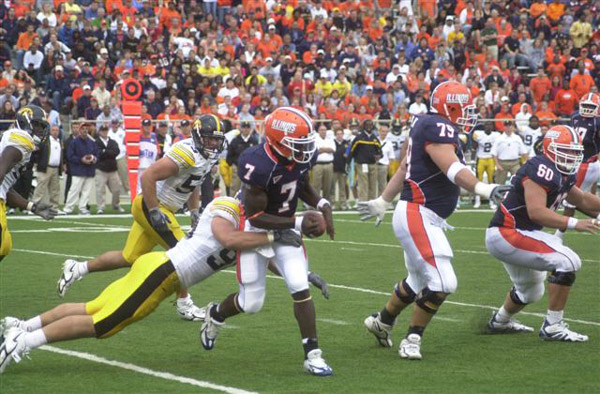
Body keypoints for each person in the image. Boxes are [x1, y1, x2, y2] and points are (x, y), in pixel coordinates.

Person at [0, 197, 304, 374]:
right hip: (164, 273)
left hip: (160, 270)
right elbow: (228, 238)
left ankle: (23, 328)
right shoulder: (227, 207)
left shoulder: (249, 225)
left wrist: (300, 275)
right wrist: (275, 236)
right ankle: (22, 343)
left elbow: (254, 251)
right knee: (104, 324)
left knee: (93, 307)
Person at [357, 81, 511, 360]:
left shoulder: (426, 124)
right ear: (449, 107)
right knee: (443, 282)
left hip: (418, 213)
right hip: (419, 213)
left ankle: (382, 321)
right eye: (462, 108)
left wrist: (383, 200)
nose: (468, 113)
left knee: (417, 280)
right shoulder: (436, 126)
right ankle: (412, 338)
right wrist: (484, 188)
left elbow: (405, 167)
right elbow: (451, 167)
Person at [199, 107, 335, 376]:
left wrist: (323, 204)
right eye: (298, 144)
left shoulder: (299, 157)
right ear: (277, 141)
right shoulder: (257, 163)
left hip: (285, 228)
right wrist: (298, 223)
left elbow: (302, 182)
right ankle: (216, 313)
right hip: (256, 231)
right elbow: (257, 216)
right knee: (252, 303)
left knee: (299, 285)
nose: (306, 149)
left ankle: (313, 354)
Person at [57, 115, 225, 321]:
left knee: (128, 257)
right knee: (183, 253)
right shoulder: (186, 153)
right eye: (210, 139)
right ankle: (184, 304)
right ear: (198, 136)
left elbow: (194, 183)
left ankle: (78, 268)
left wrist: (194, 211)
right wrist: (154, 210)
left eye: (217, 139)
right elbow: (148, 176)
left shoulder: (207, 156)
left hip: (163, 207)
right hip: (151, 204)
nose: (214, 143)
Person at [485, 125, 600, 341]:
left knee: (531, 291)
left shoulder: (561, 172)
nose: (572, 156)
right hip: (508, 232)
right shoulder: (541, 168)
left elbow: (583, 200)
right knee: (568, 260)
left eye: (575, 151)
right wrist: (575, 222)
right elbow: (536, 212)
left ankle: (499, 321)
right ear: (549, 148)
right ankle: (553, 327)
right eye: (566, 150)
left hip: (517, 234)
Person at [0, 105, 56, 261]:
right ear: (25, 121)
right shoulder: (21, 139)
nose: (40, 129)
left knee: (4, 246)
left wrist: (32, 206)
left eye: (42, 126)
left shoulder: (17, 141)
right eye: (36, 124)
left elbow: (4, 188)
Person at [556, 93, 600, 241]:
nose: (587, 109)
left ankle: (558, 236)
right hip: (578, 162)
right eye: (585, 106)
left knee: (570, 199)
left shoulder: (597, 122)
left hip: (588, 164)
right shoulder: (574, 117)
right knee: (577, 200)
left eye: (591, 106)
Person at [63, 122, 98, 215]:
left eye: (86, 129)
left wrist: (94, 159)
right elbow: (70, 156)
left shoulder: (92, 142)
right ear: (80, 130)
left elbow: (97, 154)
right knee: (74, 190)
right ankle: (68, 208)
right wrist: (81, 159)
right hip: (78, 170)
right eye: (83, 128)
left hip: (89, 170)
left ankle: (83, 208)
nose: (85, 130)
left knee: (86, 191)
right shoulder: (74, 142)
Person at [31, 125, 63, 214]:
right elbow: (37, 152)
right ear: (50, 131)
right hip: (46, 167)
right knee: (40, 188)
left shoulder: (59, 141)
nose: (55, 132)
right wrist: (38, 163)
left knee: (55, 189)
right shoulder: (45, 141)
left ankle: (54, 208)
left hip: (56, 168)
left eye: (57, 130)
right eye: (53, 130)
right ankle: (34, 206)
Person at [350, 119, 382, 202]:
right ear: (364, 126)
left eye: (371, 125)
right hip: (361, 164)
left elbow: (380, 151)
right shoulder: (359, 138)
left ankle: (372, 202)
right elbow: (352, 151)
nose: (369, 127)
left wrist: (379, 156)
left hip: (372, 164)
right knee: (363, 184)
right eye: (367, 125)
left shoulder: (375, 139)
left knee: (373, 184)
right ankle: (363, 203)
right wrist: (356, 160)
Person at [94, 125, 123, 214]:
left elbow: (116, 152)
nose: (104, 132)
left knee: (117, 189)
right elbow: (98, 153)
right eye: (103, 130)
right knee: (100, 189)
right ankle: (100, 207)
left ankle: (116, 205)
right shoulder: (97, 142)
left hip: (112, 169)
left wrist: (105, 151)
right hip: (101, 169)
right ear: (100, 132)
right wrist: (108, 152)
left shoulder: (112, 142)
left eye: (106, 130)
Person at [226, 121, 259, 197]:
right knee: (235, 187)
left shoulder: (254, 141)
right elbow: (229, 155)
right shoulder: (235, 140)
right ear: (241, 128)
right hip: (238, 167)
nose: (246, 129)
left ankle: (248, 205)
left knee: (250, 188)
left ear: (250, 129)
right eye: (244, 127)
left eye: (248, 127)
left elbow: (257, 155)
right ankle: (232, 203)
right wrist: (233, 164)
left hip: (251, 169)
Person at [472, 122, 500, 208]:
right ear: (484, 127)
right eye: (487, 125)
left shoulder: (496, 135)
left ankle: (492, 202)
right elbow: (474, 144)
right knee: (478, 180)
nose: (488, 126)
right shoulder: (478, 134)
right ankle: (477, 201)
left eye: (490, 125)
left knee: (491, 180)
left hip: (490, 158)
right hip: (481, 158)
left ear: (492, 127)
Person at [312, 123, 335, 201]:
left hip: (329, 164)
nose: (323, 131)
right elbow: (316, 151)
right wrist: (326, 149)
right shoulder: (315, 139)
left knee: (327, 186)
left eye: (324, 130)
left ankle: (326, 203)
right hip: (318, 165)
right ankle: (315, 203)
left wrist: (322, 149)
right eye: (321, 130)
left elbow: (332, 150)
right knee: (316, 186)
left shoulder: (330, 139)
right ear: (318, 131)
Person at [107, 119, 129, 196]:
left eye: (116, 124)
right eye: (113, 124)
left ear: (118, 124)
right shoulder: (108, 133)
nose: (114, 125)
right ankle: (113, 192)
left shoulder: (123, 132)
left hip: (121, 155)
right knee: (111, 175)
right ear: (111, 124)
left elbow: (126, 143)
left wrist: (126, 153)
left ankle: (128, 189)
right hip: (111, 157)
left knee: (124, 174)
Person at [137, 119, 159, 194]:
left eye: (148, 126)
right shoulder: (138, 137)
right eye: (145, 126)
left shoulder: (154, 137)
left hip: (150, 166)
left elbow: (157, 153)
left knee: (149, 188)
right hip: (139, 166)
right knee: (139, 189)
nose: (147, 128)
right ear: (142, 127)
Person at [333, 129, 349, 210]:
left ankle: (343, 204)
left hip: (343, 169)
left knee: (342, 188)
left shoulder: (347, 143)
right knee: (332, 188)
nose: (339, 135)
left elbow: (350, 154)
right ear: (335, 135)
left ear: (343, 134)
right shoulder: (332, 142)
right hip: (333, 168)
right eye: (338, 134)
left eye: (340, 134)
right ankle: (332, 203)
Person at [377, 124, 395, 195]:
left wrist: (388, 166)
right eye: (383, 131)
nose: (384, 133)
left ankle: (381, 200)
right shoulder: (375, 140)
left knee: (382, 185)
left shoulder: (389, 143)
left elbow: (391, 157)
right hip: (374, 165)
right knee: (372, 184)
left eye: (386, 132)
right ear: (379, 131)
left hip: (384, 165)